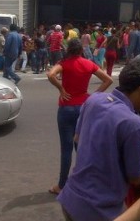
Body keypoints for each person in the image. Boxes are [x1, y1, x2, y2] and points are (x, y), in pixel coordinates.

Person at [57, 60, 140, 221]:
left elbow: (77, 138)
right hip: (98, 208)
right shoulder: (133, 122)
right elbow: (135, 177)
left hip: (71, 197)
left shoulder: (94, 100)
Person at [47, 38, 113, 196]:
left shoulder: (64, 63)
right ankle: (87, 181)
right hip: (84, 107)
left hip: (66, 108)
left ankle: (62, 185)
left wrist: (61, 89)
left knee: (66, 149)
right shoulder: (88, 63)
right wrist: (94, 95)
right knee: (82, 147)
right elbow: (108, 80)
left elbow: (51, 75)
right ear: (81, 50)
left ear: (69, 49)